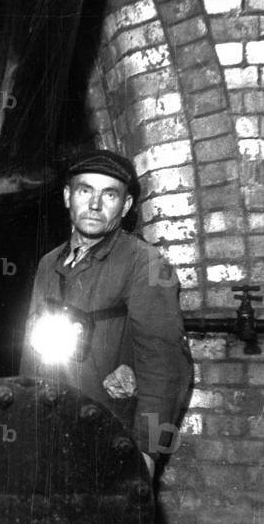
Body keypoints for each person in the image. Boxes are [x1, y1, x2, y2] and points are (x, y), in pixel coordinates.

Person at [20, 149, 192, 476]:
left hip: (111, 435)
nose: (95, 204)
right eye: (85, 190)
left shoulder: (145, 264)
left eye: (109, 194)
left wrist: (146, 452)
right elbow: (31, 354)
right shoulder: (48, 264)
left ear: (125, 206)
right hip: (52, 430)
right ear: (68, 196)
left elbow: (164, 366)